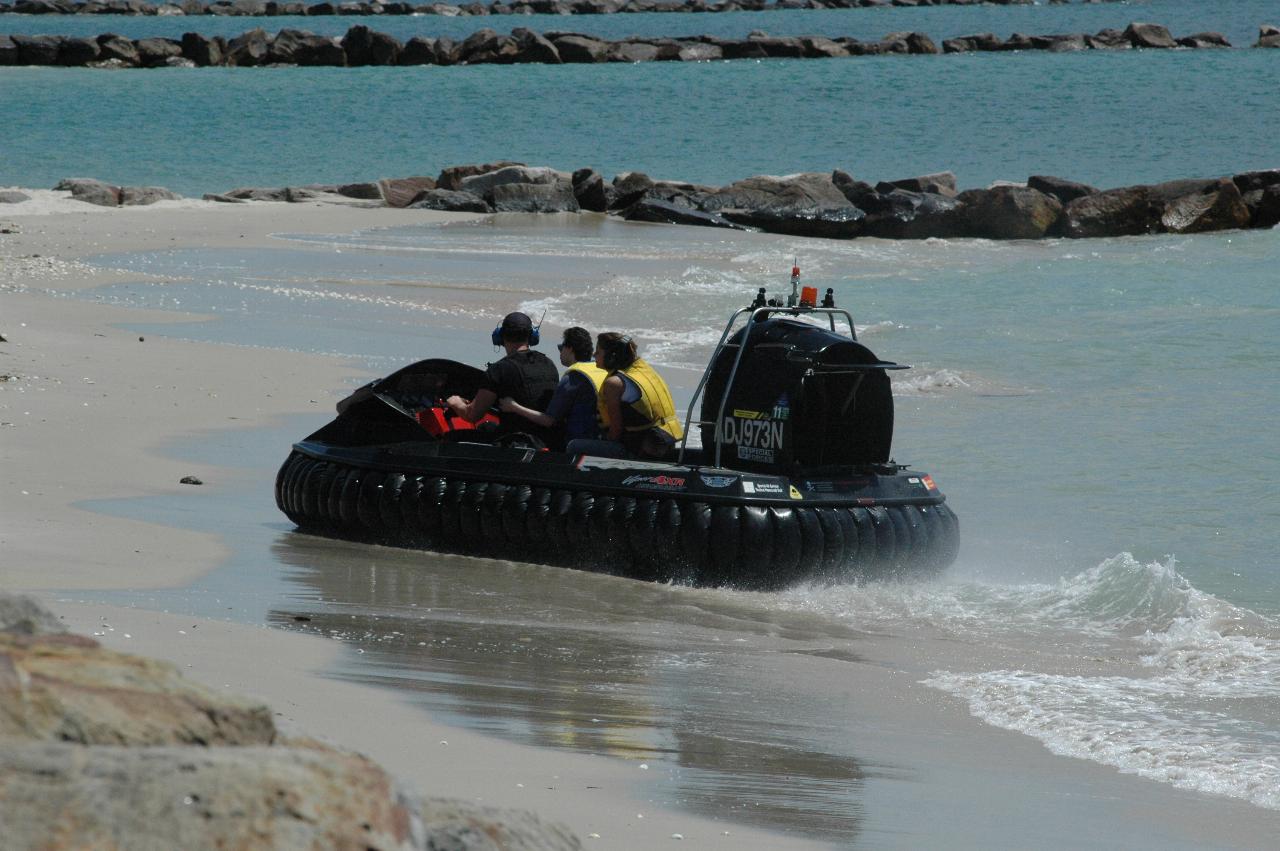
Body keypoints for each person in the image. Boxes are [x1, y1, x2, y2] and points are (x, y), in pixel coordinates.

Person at [565, 332, 683, 460]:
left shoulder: (614, 384)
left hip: (641, 451)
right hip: (666, 444)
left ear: (611, 357)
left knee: (574, 446)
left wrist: (601, 439)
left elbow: (615, 433)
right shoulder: (644, 371)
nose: (594, 355)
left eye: (598, 352)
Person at [446, 311, 559, 441]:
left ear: (500, 336)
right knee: (486, 428)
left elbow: (472, 415)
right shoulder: (548, 363)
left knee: (451, 438)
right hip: (546, 438)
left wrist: (455, 402)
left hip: (516, 442)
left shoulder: (499, 370)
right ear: (532, 336)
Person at [498, 326, 608, 449]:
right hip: (602, 438)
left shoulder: (572, 379)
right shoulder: (600, 370)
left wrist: (514, 407)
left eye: (561, 348)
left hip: (578, 443)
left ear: (570, 348)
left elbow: (549, 421)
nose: (560, 353)